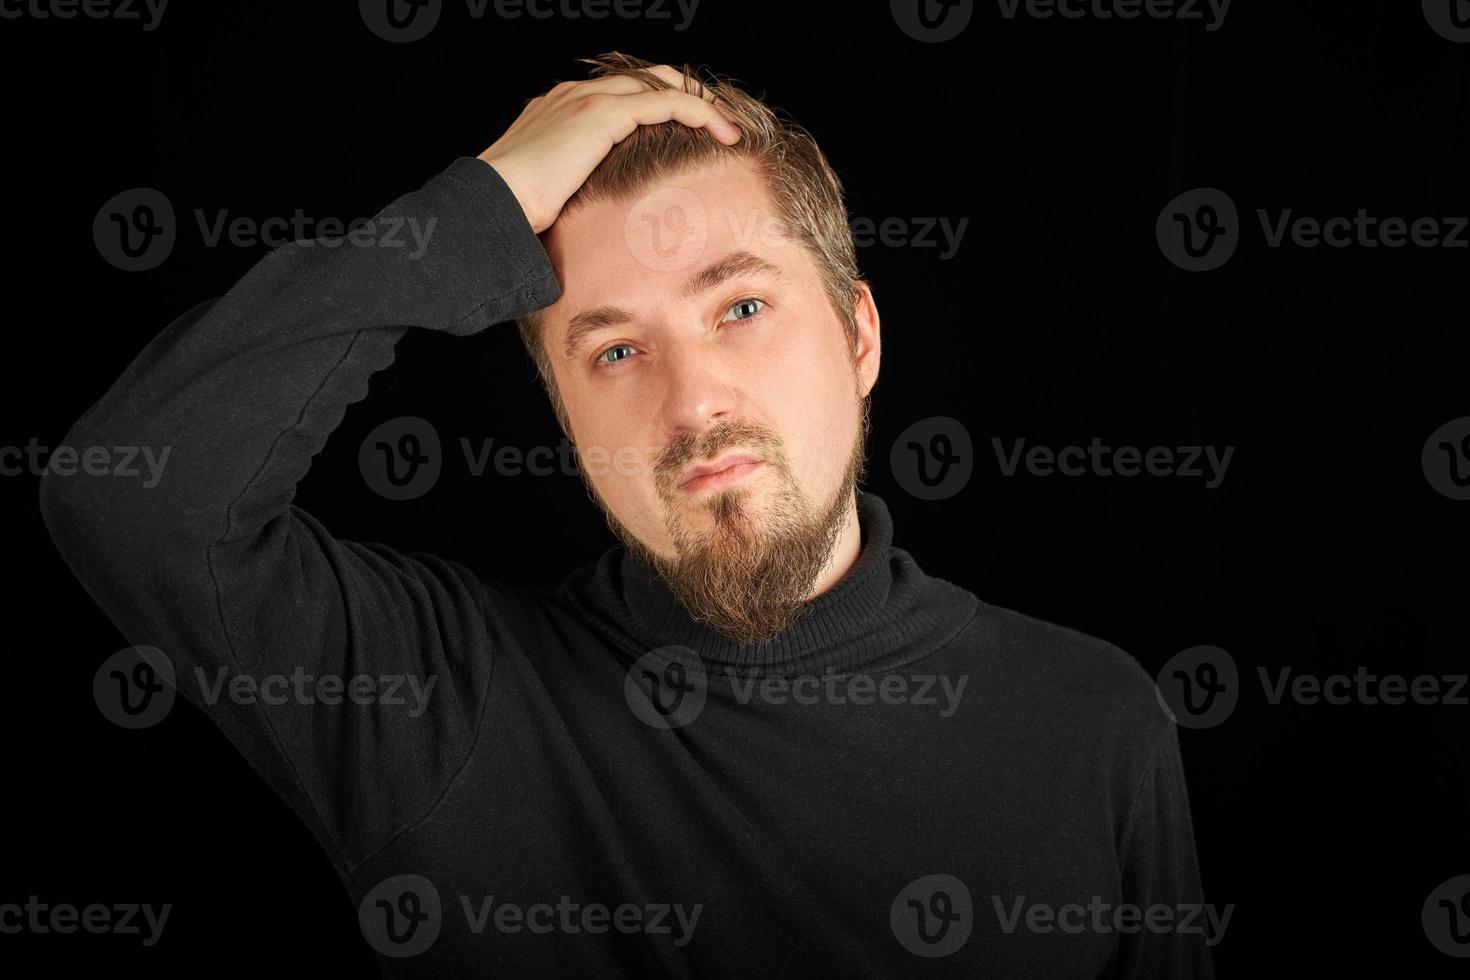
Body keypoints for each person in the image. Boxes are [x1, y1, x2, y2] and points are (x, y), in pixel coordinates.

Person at [41, 51, 1216, 977]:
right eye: (613, 349)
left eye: (742, 304)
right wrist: (484, 203)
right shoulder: (439, 698)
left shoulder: (1095, 723)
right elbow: (130, 497)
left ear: (860, 335)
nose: (693, 400)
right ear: (561, 414)